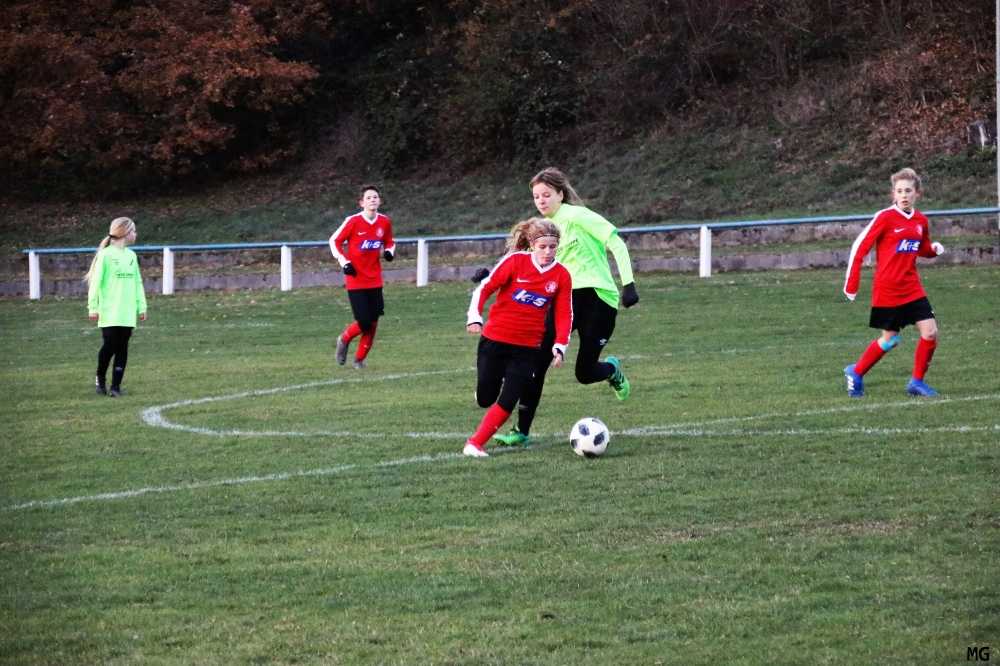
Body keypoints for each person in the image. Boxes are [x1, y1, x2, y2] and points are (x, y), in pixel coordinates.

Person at [493, 167, 639, 448]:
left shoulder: (578, 216)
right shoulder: (542, 230)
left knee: (584, 373)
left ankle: (611, 371)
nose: (541, 200)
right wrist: (490, 273)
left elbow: (617, 244)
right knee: (536, 365)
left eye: (546, 194)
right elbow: (519, 260)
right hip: (563, 300)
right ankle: (521, 431)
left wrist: (628, 284)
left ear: (560, 194)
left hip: (598, 298)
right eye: (536, 196)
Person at [463, 218, 573, 457]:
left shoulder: (562, 275)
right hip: (495, 340)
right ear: (532, 245)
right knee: (485, 399)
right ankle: (491, 385)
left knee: (509, 398)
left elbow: (565, 313)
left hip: (528, 347)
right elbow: (485, 288)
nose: (548, 252)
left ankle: (474, 443)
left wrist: (560, 345)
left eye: (553, 247)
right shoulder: (515, 262)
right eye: (542, 247)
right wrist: (474, 316)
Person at [843, 168, 945, 398]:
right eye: (899, 191)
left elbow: (921, 248)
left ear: (917, 193)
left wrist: (934, 250)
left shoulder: (921, 220)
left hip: (912, 286)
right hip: (888, 288)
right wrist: (852, 283)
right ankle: (856, 373)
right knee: (890, 340)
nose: (904, 195)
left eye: (908, 191)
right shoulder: (885, 217)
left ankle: (916, 382)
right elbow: (860, 247)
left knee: (930, 333)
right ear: (893, 194)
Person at [330, 185, 396, 370]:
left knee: (373, 323)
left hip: (375, 279)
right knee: (364, 322)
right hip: (356, 279)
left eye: (375, 197)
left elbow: (389, 241)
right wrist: (345, 262)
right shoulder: (353, 221)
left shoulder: (384, 221)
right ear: (361, 203)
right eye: (368, 197)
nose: (372, 200)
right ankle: (344, 339)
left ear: (380, 201)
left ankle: (358, 361)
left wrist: (389, 251)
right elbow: (334, 241)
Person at [85, 217, 148, 397]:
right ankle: (100, 378)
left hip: (127, 311)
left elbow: (137, 283)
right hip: (109, 311)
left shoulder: (131, 256)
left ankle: (115, 387)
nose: (135, 234)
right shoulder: (105, 255)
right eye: (133, 230)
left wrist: (141, 306)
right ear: (125, 232)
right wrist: (93, 307)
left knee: (122, 347)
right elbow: (96, 282)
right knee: (110, 345)